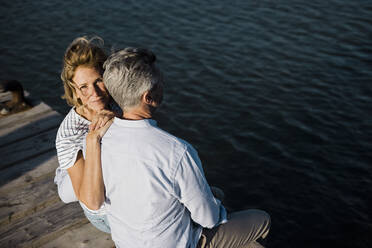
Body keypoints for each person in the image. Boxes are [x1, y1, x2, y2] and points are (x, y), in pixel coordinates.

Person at [99, 47, 271, 248]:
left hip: (127, 242)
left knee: (215, 193)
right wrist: (216, 209)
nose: (162, 85)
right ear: (148, 97)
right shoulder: (176, 151)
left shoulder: (104, 138)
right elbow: (208, 220)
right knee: (261, 219)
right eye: (159, 82)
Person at [54, 36, 121, 233]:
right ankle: (65, 173)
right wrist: (95, 137)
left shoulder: (117, 103)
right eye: (84, 87)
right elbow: (93, 202)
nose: (95, 93)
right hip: (104, 214)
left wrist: (116, 117)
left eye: (98, 81)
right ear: (74, 90)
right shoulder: (68, 134)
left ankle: (66, 172)